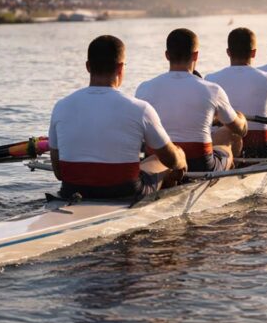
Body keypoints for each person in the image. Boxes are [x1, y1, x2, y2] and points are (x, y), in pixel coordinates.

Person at [48, 35, 186, 200]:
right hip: (125, 194)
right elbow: (170, 160)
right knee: (165, 158)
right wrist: (181, 160)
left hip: (72, 192)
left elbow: (58, 173)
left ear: (88, 67)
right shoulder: (140, 108)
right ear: (121, 68)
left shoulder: (61, 106)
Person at [136, 28, 247, 173]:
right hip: (201, 163)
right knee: (232, 135)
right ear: (195, 56)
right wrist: (241, 118)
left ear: (167, 55)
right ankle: (231, 172)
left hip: (161, 163)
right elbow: (241, 130)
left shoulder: (144, 88)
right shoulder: (213, 90)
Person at [207, 27, 267, 159]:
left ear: (228, 52)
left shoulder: (210, 79)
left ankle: (229, 160)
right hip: (260, 149)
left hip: (226, 144)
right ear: (254, 53)